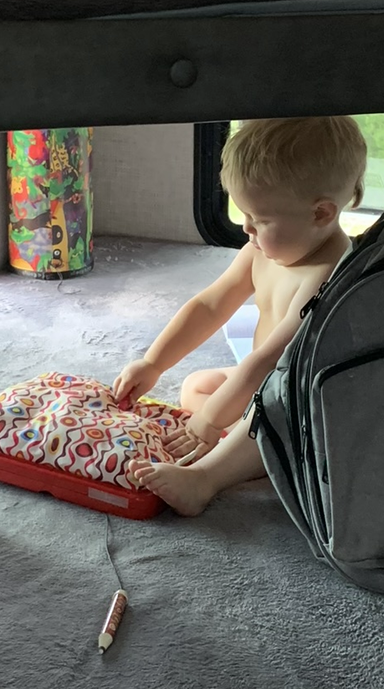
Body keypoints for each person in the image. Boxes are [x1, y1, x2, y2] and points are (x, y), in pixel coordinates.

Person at [114, 117, 365, 515]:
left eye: (261, 219)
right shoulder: (263, 248)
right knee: (199, 385)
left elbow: (267, 361)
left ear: (321, 213)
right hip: (262, 385)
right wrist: (153, 362)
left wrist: (212, 421)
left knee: (259, 421)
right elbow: (211, 304)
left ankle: (205, 480)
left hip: (302, 403)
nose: (246, 228)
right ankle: (248, 452)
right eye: (242, 213)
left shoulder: (326, 275)